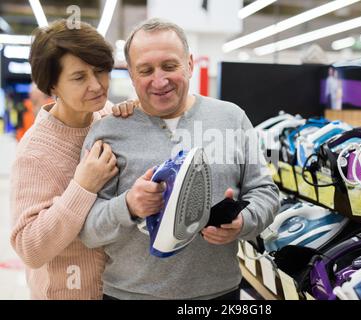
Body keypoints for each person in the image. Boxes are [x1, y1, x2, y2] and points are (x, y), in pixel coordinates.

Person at [79, 18, 280, 300]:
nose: (159, 81)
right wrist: (128, 205)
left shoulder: (232, 118)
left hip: (218, 295)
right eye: (145, 70)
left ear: (189, 64)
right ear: (132, 75)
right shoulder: (108, 132)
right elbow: (87, 230)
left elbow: (266, 192)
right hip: (128, 295)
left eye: (169, 66)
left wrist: (243, 221)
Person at [10, 19, 136, 300]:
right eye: (79, 77)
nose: (96, 85)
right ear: (52, 84)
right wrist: (82, 187)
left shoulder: (108, 116)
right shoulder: (35, 152)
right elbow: (29, 247)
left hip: (122, 290)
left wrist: (136, 123)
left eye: (100, 71)